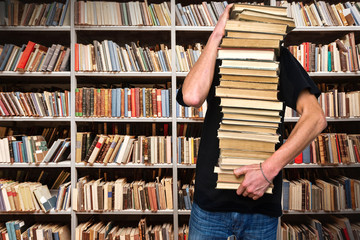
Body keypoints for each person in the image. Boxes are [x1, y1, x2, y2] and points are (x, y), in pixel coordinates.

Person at [176, 4, 327, 240]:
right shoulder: (215, 56)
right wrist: (216, 35)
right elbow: (192, 96)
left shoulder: (281, 59)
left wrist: (269, 169)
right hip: (210, 205)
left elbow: (316, 118)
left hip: (260, 205)